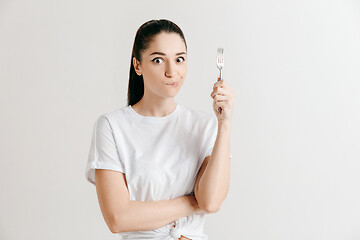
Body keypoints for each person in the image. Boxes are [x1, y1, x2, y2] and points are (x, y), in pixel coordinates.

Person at [85, 19, 234, 240]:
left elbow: (211, 202)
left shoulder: (204, 125)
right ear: (137, 65)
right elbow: (117, 218)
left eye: (179, 59)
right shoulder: (112, 126)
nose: (171, 71)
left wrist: (225, 124)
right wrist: (191, 201)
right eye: (158, 60)